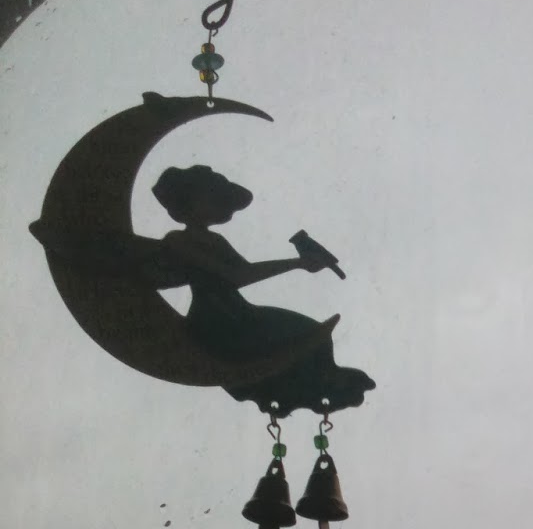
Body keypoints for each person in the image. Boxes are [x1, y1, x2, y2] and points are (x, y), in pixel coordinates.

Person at [151, 163, 374, 416]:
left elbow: (242, 270)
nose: (219, 205)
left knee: (314, 336)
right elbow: (237, 276)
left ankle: (314, 381)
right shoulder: (178, 241)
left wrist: (301, 263)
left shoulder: (215, 240)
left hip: (238, 312)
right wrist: (297, 263)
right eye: (211, 198)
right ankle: (291, 384)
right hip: (216, 319)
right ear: (186, 203)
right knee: (309, 335)